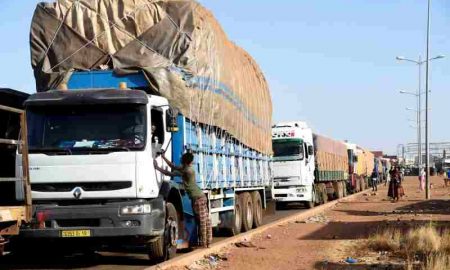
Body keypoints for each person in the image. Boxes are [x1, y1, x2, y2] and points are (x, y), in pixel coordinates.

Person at [153, 152, 212, 248]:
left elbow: (169, 172)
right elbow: (173, 166)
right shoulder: (187, 168)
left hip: (198, 198)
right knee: (205, 220)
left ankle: (204, 244)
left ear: (184, 161)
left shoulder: (187, 171)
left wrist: (157, 168)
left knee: (202, 221)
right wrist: (163, 157)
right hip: (199, 196)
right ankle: (207, 242)